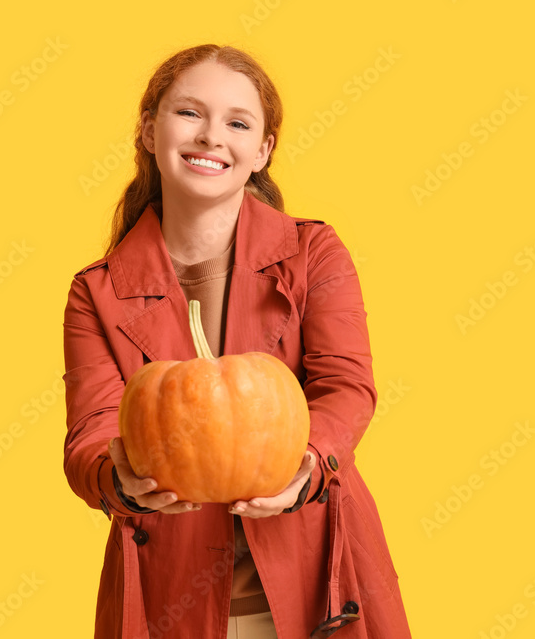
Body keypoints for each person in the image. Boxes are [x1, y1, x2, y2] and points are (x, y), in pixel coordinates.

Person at [62, 44, 411, 639]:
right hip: (169, 597)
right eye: (189, 114)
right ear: (149, 131)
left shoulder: (313, 253)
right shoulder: (96, 292)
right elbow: (91, 430)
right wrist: (117, 478)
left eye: (238, 123)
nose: (211, 138)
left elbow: (346, 387)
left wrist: (307, 464)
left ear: (262, 151)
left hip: (319, 584)